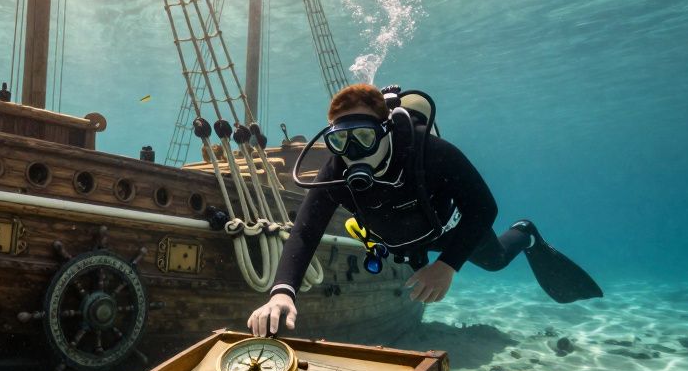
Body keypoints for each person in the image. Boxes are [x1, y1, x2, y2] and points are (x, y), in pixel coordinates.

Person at [247, 83, 601, 338]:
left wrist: (447, 265)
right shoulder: (336, 170)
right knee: (413, 269)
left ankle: (525, 233)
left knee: (495, 262)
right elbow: (306, 230)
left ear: (385, 130)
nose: (352, 151)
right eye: (340, 140)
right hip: (400, 241)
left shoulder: (430, 152)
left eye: (364, 138)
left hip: (448, 230)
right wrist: (282, 291)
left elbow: (483, 208)